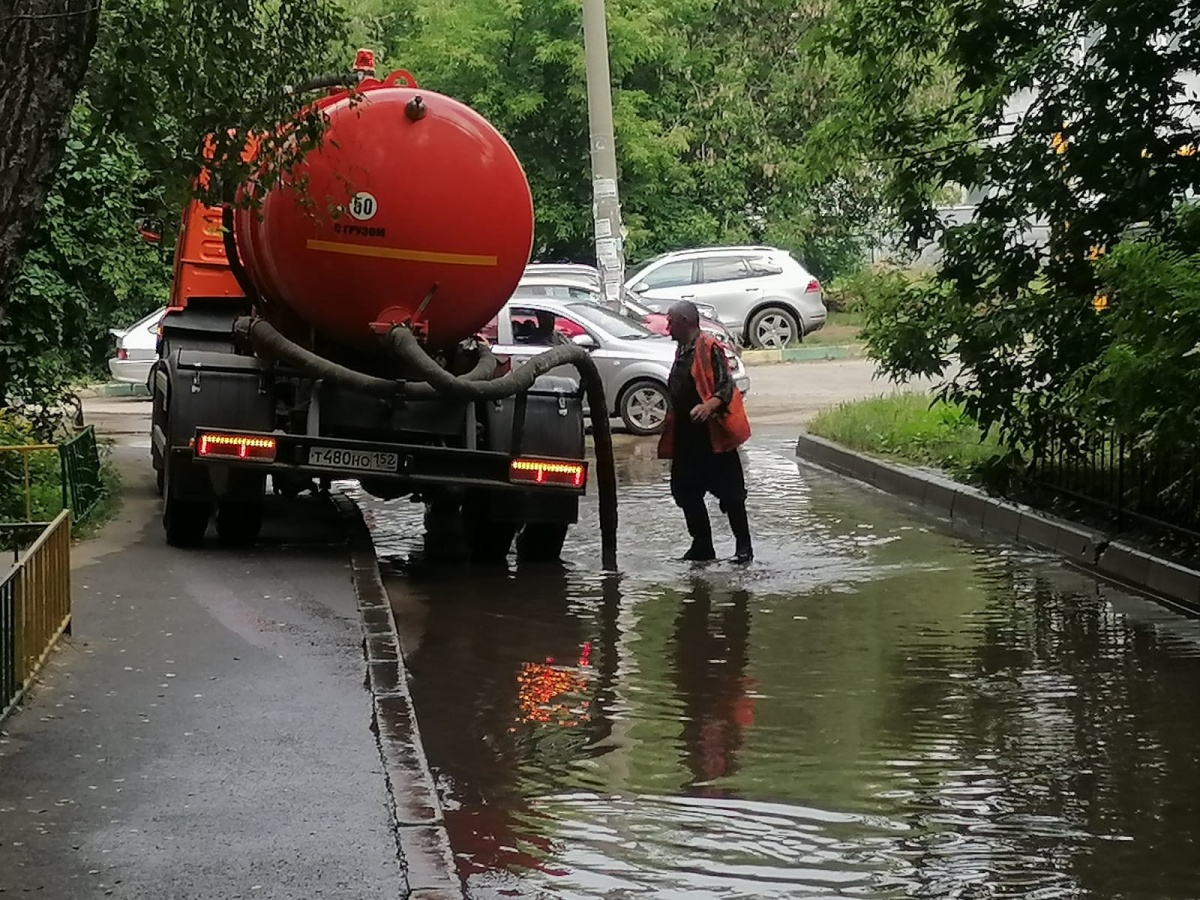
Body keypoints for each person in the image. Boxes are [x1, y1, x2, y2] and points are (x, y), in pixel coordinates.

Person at [657, 301, 753, 563]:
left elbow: (726, 386)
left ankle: (744, 548)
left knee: (732, 494)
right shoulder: (682, 349)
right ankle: (702, 546)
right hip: (687, 438)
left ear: (686, 321)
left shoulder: (709, 347)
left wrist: (708, 406)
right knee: (685, 491)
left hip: (713, 436)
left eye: (671, 321)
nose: (667, 327)